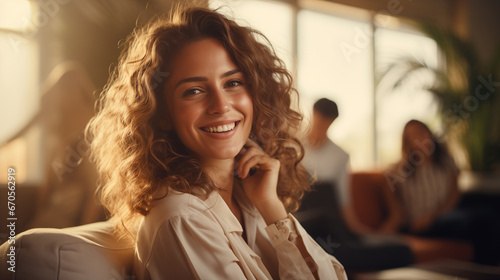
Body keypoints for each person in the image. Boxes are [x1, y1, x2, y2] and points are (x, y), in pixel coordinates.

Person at [86, 6, 347, 279]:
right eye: (194, 90)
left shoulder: (250, 199)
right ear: (162, 114)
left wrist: (272, 206)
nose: (221, 105)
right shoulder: (181, 219)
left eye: (233, 83)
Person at [385, 119, 500, 264]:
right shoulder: (398, 172)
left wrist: (436, 215)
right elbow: (396, 212)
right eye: (414, 135)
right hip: (422, 225)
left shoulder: (445, 162)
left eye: (422, 132)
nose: (420, 138)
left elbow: (454, 194)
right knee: (475, 221)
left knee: (491, 209)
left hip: (444, 214)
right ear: (407, 142)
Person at [302, 98, 369, 234]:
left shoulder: (341, 155)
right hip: (301, 218)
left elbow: (343, 197)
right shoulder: (293, 147)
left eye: (326, 124)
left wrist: (358, 230)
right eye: (318, 123)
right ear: (312, 116)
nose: (320, 129)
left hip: (328, 222)